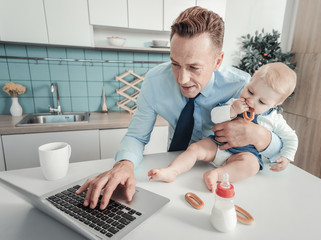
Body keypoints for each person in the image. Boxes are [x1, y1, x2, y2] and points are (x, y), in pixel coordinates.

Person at [76, 6, 283, 210]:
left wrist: (259, 135)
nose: (182, 79)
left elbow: (278, 147)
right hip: (174, 172)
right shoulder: (155, 82)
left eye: (194, 67)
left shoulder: (243, 87)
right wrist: (124, 164)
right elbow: (137, 136)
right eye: (175, 63)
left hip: (224, 178)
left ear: (218, 61)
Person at [148, 62, 298, 192]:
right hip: (217, 144)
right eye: (250, 91)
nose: (251, 101)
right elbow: (215, 116)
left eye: (262, 102)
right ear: (250, 81)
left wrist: (286, 157)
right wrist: (232, 110)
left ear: (275, 104)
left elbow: (291, 138)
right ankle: (172, 171)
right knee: (195, 149)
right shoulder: (235, 102)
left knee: (251, 166)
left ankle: (217, 175)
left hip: (242, 155)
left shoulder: (275, 119)